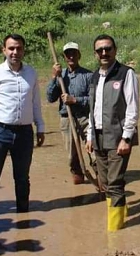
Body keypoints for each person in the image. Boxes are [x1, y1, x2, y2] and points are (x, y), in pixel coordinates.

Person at [0, 34, 45, 217]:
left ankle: (23, 217)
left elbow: (36, 102)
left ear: (24, 50)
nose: (15, 52)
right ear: (4, 50)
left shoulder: (31, 73)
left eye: (19, 48)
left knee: (22, 178)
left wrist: (41, 127)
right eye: (11, 48)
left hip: (24, 133)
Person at [86, 34, 139, 232]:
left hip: (118, 137)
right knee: (106, 183)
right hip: (98, 136)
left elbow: (132, 108)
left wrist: (127, 137)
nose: (104, 53)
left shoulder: (126, 74)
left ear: (115, 50)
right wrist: (90, 135)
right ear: (95, 54)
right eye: (100, 50)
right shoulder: (94, 77)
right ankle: (120, 217)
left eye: (108, 49)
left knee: (115, 183)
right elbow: (93, 109)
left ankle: (115, 232)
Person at [46, 41, 93, 185]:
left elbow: (94, 100)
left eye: (74, 53)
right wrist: (54, 77)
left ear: (79, 55)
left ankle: (101, 178)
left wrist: (75, 100)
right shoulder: (61, 75)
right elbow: (50, 98)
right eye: (68, 54)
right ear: (64, 57)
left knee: (94, 150)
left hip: (86, 118)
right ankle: (79, 179)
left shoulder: (89, 75)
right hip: (67, 119)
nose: (71, 56)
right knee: (72, 156)